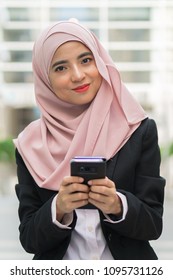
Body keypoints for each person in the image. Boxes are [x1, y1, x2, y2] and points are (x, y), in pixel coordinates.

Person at [14, 19, 165, 260]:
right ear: (45, 78)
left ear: (100, 61)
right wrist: (58, 208)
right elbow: (30, 239)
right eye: (60, 68)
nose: (78, 75)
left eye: (86, 60)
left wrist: (118, 205)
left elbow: (153, 224)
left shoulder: (137, 130)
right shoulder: (31, 144)